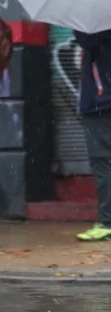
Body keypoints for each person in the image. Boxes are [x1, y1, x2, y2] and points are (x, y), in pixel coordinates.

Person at [75, 30, 111, 241]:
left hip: (102, 102)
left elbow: (85, 39)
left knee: (103, 162)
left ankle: (108, 223)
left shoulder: (98, 27)